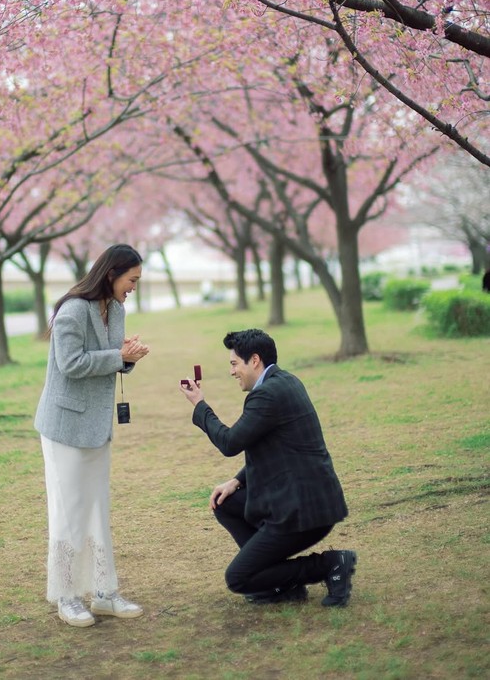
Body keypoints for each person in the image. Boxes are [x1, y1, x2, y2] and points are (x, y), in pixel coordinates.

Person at [179, 328, 356, 608]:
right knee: (225, 502)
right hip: (304, 498)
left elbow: (230, 442)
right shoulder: (285, 381)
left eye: (234, 363)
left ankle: (329, 565)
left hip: (303, 511)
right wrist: (236, 482)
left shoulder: (267, 395)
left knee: (238, 578)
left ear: (255, 360)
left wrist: (199, 405)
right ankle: (279, 582)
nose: (232, 372)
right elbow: (277, 450)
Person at [34, 244, 150, 628]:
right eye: (131, 279)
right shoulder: (72, 310)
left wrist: (126, 357)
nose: (134, 286)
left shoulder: (115, 309)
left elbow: (109, 357)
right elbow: (70, 363)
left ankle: (104, 592)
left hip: (97, 426)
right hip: (64, 427)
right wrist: (120, 357)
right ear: (112, 273)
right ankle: (67, 596)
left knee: (98, 508)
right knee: (68, 512)